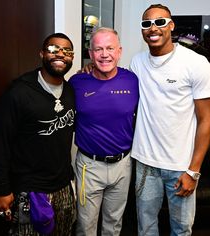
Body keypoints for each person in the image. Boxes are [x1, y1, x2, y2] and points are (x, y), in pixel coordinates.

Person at [130, 4, 210, 236]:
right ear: (142, 30)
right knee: (146, 228)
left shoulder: (195, 62)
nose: (153, 28)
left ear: (171, 25)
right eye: (147, 24)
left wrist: (193, 171)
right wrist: (89, 72)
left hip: (180, 166)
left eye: (160, 22)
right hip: (146, 163)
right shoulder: (136, 63)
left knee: (181, 230)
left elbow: (206, 119)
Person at [0, 33, 76, 236]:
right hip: (29, 190)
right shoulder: (19, 92)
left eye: (67, 51)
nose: (60, 54)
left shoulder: (71, 91)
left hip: (63, 185)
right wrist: (1, 189)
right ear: (42, 54)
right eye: (54, 49)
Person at [69, 27, 139, 236]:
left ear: (119, 51)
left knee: (114, 224)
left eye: (110, 48)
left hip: (123, 165)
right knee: (85, 226)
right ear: (90, 54)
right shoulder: (77, 83)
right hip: (89, 167)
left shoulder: (133, 81)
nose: (104, 54)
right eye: (98, 49)